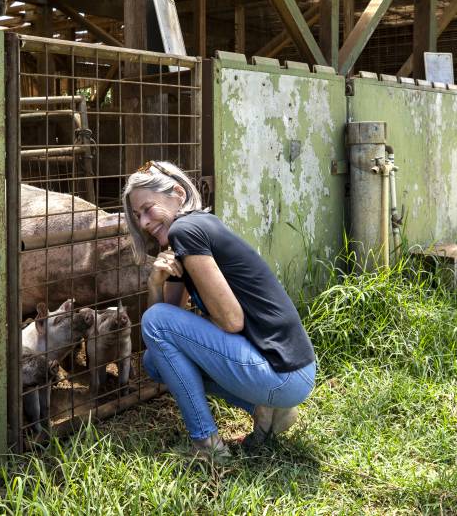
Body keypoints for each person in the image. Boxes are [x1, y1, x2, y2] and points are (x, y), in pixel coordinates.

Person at [122, 160, 316, 461]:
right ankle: (266, 411)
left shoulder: (185, 230)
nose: (144, 223)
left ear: (178, 193)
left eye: (148, 209)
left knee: (156, 321)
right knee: (153, 361)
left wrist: (198, 319)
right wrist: (155, 282)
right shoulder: (189, 234)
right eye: (137, 216)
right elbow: (160, 336)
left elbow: (231, 320)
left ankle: (207, 445)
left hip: (281, 373)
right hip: (293, 372)